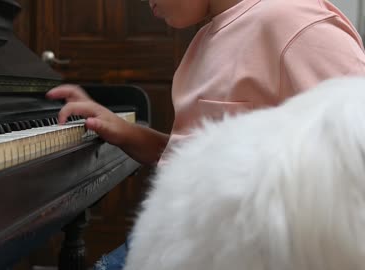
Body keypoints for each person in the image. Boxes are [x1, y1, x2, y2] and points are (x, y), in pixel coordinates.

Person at [46, 0, 365, 269]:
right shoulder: (207, 37)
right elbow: (193, 163)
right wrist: (123, 131)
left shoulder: (294, 22)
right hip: (164, 243)